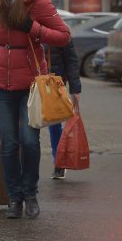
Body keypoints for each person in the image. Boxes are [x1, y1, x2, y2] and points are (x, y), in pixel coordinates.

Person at [0, 0, 70, 219]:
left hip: (31, 87)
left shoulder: (39, 4)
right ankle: (14, 198)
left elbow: (64, 36)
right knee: (8, 144)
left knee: (30, 142)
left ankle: (30, 194)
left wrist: (33, 27)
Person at [46, 40, 81, 180]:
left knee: (54, 124)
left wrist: (75, 89)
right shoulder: (27, 25)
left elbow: (71, 61)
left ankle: (59, 162)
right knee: (30, 125)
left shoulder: (60, 30)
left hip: (55, 82)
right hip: (30, 81)